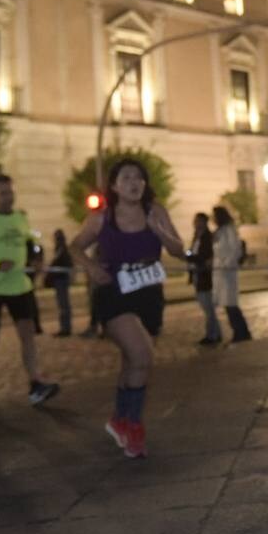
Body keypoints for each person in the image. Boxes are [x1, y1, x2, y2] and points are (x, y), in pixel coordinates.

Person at [68, 158, 185, 457]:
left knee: (133, 363)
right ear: (115, 186)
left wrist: (161, 233)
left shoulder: (155, 211)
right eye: (126, 177)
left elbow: (179, 251)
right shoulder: (102, 218)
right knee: (142, 354)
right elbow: (74, 247)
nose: (134, 183)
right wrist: (92, 268)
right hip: (114, 293)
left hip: (148, 293)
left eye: (139, 178)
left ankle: (120, 419)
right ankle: (133, 425)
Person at [0, 174, 60, 406]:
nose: (8, 197)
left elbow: (30, 243)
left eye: (10, 192)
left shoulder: (20, 217)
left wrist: (36, 259)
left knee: (27, 334)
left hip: (19, 285)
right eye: (2, 193)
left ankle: (35, 383)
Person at [212, 206, 252, 342]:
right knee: (226, 303)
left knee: (230, 302)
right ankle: (238, 331)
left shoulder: (229, 230)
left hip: (227, 271)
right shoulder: (220, 231)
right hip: (220, 271)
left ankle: (241, 331)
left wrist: (226, 265)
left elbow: (235, 249)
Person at [187, 212, 220, 344]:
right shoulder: (197, 236)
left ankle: (213, 335)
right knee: (206, 307)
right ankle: (214, 333)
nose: (195, 223)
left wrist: (189, 257)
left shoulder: (207, 237)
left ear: (203, 222)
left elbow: (204, 256)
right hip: (197, 274)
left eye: (197, 221)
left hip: (205, 276)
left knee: (208, 307)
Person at [46, 229, 73, 337]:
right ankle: (65, 327)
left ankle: (65, 328)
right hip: (61, 279)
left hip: (61, 280)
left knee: (63, 305)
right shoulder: (61, 249)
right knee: (63, 305)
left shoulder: (62, 250)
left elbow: (62, 264)